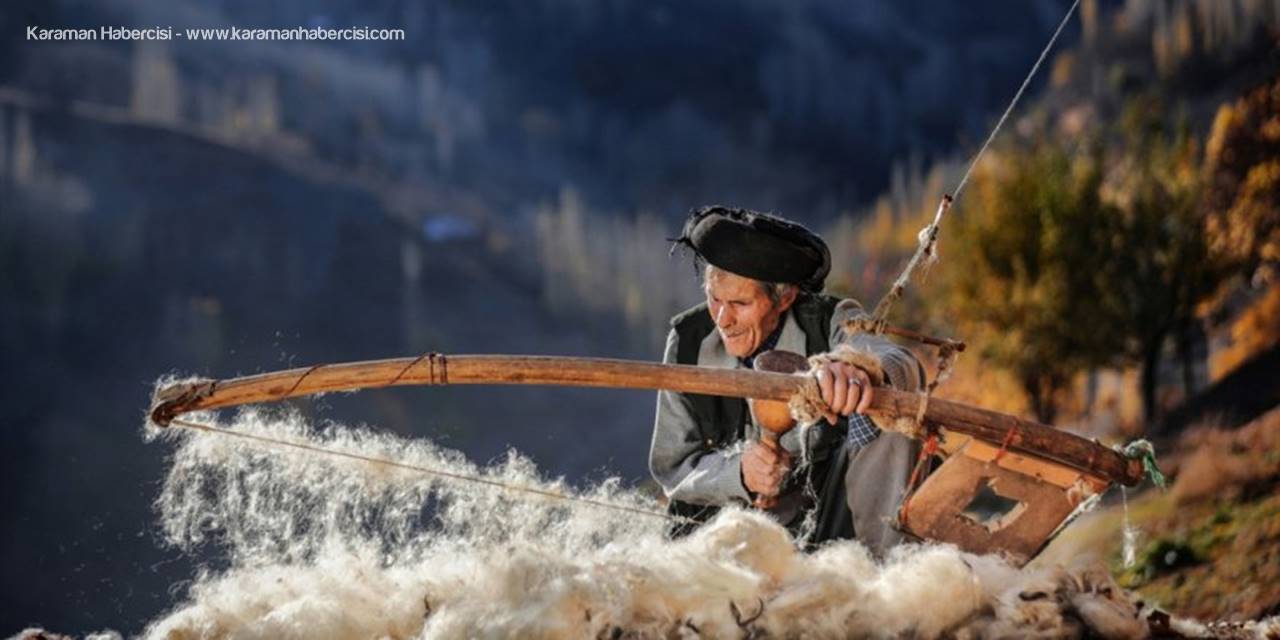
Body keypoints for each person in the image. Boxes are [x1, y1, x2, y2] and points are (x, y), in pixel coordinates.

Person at [649, 205, 926, 554]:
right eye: (714, 298)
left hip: (823, 532)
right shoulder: (687, 341)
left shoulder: (828, 320)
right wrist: (739, 473)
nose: (722, 319)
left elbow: (900, 362)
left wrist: (854, 366)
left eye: (740, 303)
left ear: (784, 298)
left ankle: (878, 565)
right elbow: (671, 466)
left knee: (887, 411)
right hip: (716, 541)